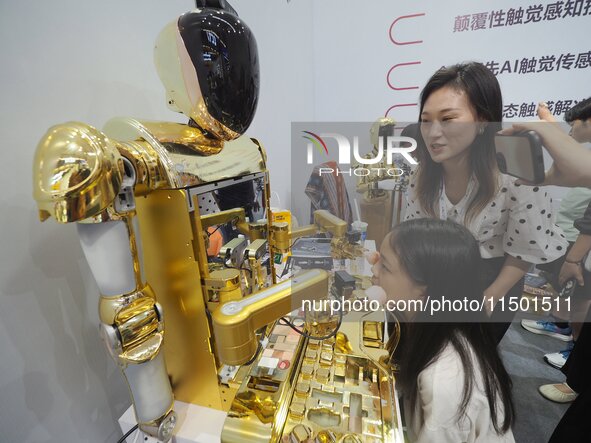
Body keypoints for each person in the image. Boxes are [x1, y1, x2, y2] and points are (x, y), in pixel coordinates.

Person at [404, 62, 567, 342]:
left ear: (482, 121)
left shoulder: (516, 176)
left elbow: (524, 251)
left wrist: (489, 299)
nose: (432, 132)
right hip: (438, 277)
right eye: (426, 119)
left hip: (492, 281)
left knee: (471, 364)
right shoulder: (422, 175)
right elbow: (414, 236)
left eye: (448, 118)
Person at [370, 218, 515, 443]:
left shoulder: (444, 385)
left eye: (385, 266)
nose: (374, 270)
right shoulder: (433, 328)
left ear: (424, 290)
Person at [521, 98, 591, 369]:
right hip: (573, 232)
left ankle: (576, 355)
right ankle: (565, 329)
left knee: (582, 292)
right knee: (572, 287)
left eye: (574, 124)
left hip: (582, 242)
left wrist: (575, 259)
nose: (571, 129)